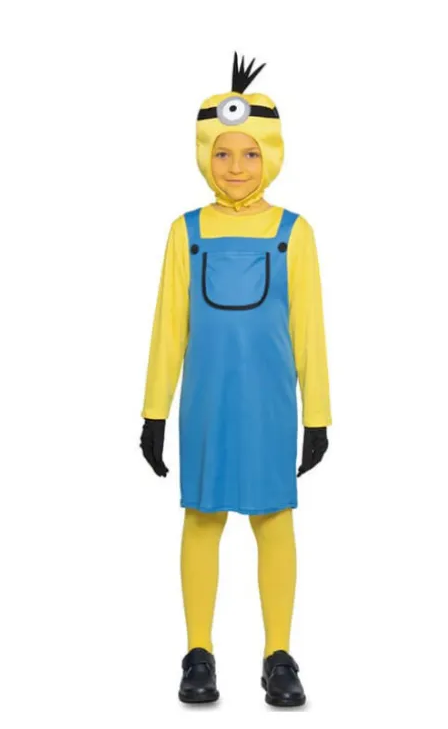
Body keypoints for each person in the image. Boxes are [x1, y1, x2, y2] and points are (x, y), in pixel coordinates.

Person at [140, 53, 332, 708]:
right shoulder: (186, 233)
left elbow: (310, 330)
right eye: (222, 154)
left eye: (250, 153)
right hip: (206, 405)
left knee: (274, 520)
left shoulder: (293, 234)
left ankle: (279, 654)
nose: (236, 167)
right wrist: (154, 411)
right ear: (205, 156)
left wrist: (317, 415)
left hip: (271, 406)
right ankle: (198, 653)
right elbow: (169, 327)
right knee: (202, 518)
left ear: (271, 154)